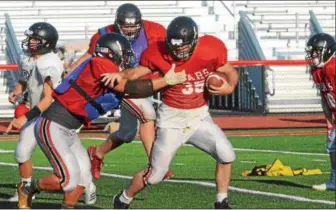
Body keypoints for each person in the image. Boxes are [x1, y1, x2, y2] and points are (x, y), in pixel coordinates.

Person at [15, 32, 186, 209]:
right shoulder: (99, 63)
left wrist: (165, 82)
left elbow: (136, 90)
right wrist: (164, 81)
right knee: (68, 181)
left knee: (84, 178)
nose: (126, 59)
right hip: (53, 124)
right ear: (112, 52)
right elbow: (129, 87)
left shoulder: (106, 69)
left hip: (70, 129)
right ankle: (28, 189)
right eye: (124, 54)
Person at [104, 16, 238, 209]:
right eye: (175, 47)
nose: (179, 52)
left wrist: (230, 87)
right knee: (155, 176)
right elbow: (135, 73)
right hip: (171, 119)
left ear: (194, 41)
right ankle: (123, 198)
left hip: (199, 116)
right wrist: (120, 74)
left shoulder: (211, 48)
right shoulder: (157, 52)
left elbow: (230, 71)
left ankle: (221, 201)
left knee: (227, 155)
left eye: (183, 47)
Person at [73, 3, 173, 181]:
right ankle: (156, 165)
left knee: (126, 134)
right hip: (118, 85)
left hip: (142, 84)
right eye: (126, 26)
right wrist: (72, 70)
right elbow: (90, 55)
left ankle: (96, 153)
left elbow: (166, 52)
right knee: (147, 114)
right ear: (117, 24)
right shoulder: (104, 35)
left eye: (133, 26)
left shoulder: (154, 31)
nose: (130, 30)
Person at [6, 22, 97, 207]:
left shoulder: (49, 62)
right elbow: (25, 78)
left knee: (74, 163)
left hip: (55, 116)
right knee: (22, 152)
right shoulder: (29, 58)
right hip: (39, 113)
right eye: (30, 38)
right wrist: (17, 89)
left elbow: (48, 99)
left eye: (34, 40)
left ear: (45, 43)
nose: (29, 42)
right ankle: (25, 189)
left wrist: (25, 116)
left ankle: (87, 184)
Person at [306, 32, 336, 191]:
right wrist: (329, 123)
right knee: (332, 145)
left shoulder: (333, 67)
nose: (312, 55)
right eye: (312, 51)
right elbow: (325, 98)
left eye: (316, 51)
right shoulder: (317, 71)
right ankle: (334, 181)